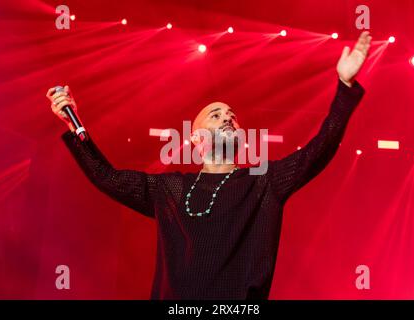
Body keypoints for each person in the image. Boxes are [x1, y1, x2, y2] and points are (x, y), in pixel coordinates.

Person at [46, 31, 372, 299]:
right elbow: (109, 178)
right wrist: (76, 124)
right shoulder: (172, 189)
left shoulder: (263, 182)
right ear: (197, 140)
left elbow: (321, 148)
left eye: (231, 115)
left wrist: (344, 86)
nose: (227, 117)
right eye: (215, 115)